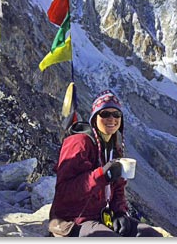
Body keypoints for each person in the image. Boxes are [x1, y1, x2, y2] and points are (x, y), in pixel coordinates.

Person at [49, 90, 163, 237]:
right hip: (74, 220)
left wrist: (120, 212)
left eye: (116, 115)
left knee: (152, 236)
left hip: (101, 216)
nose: (112, 119)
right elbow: (64, 191)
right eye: (105, 114)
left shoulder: (113, 145)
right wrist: (102, 175)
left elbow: (118, 187)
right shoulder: (79, 143)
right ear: (95, 117)